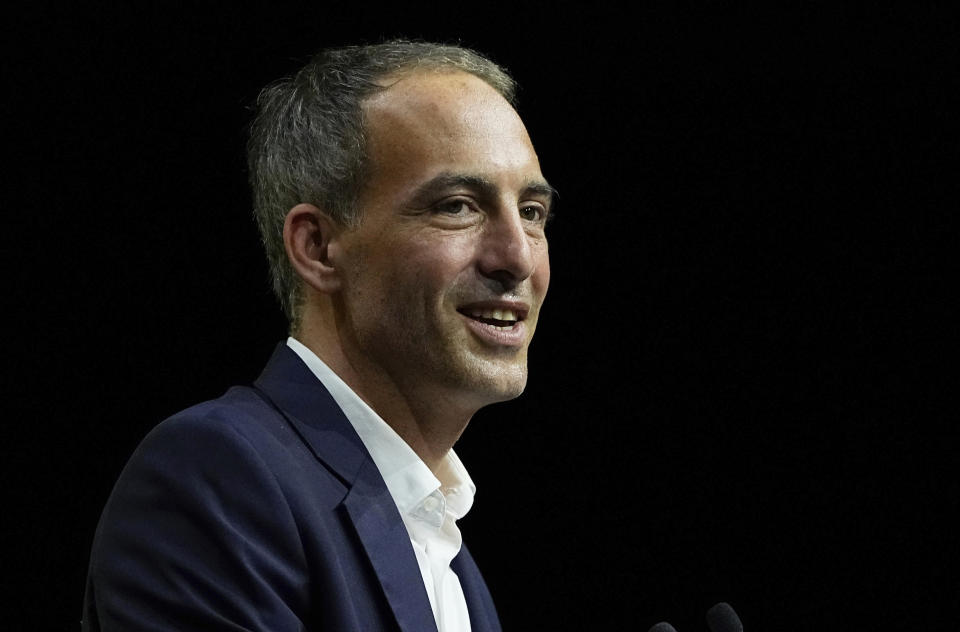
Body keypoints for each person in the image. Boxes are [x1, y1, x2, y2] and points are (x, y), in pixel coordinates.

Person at [82, 40, 554, 632]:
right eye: (458, 206)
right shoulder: (219, 479)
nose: (517, 257)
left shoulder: (444, 549)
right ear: (317, 248)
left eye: (532, 212)